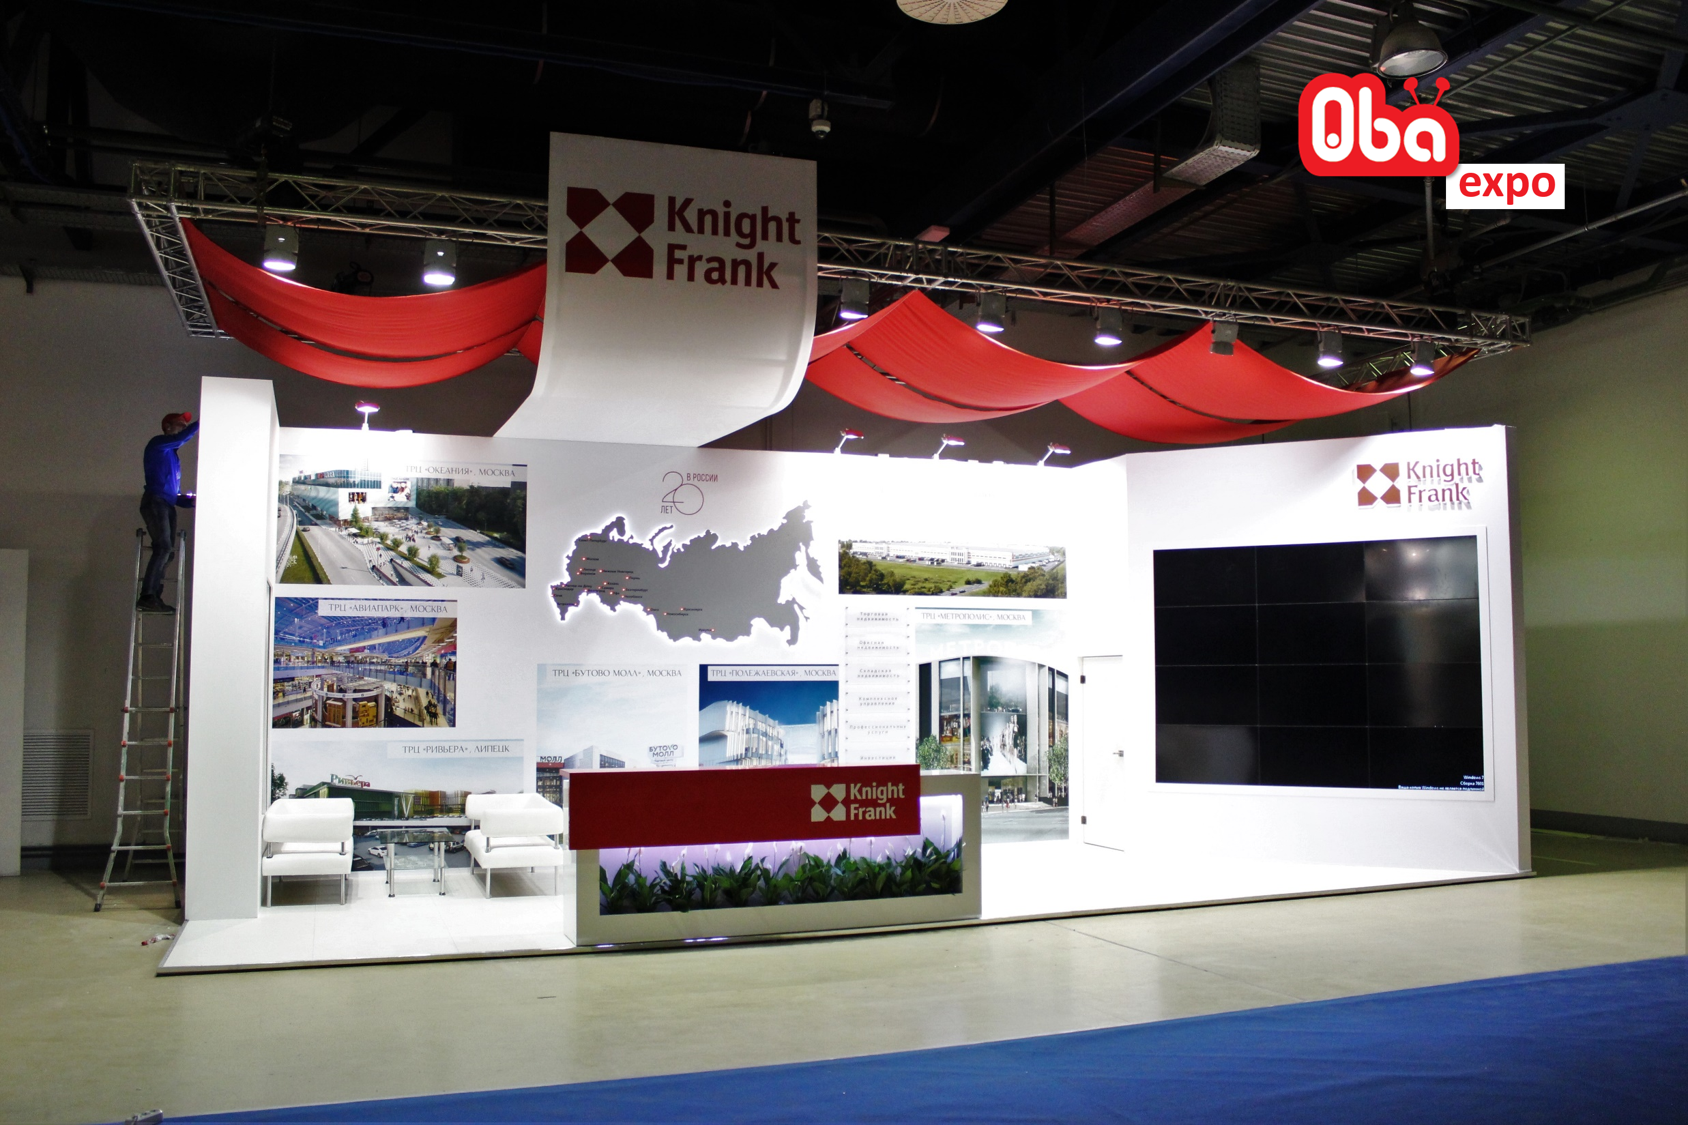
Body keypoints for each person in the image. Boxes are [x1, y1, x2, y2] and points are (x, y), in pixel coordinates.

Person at [138, 412, 199, 612]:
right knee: (163, 548)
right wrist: (202, 422)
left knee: (168, 552)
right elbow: (181, 438)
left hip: (165, 504)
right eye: (180, 424)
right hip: (155, 502)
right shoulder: (158, 444)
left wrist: (190, 502)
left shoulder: (171, 455)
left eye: (185, 425)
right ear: (168, 427)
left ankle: (154, 596)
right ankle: (148, 596)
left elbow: (172, 494)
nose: (183, 428)